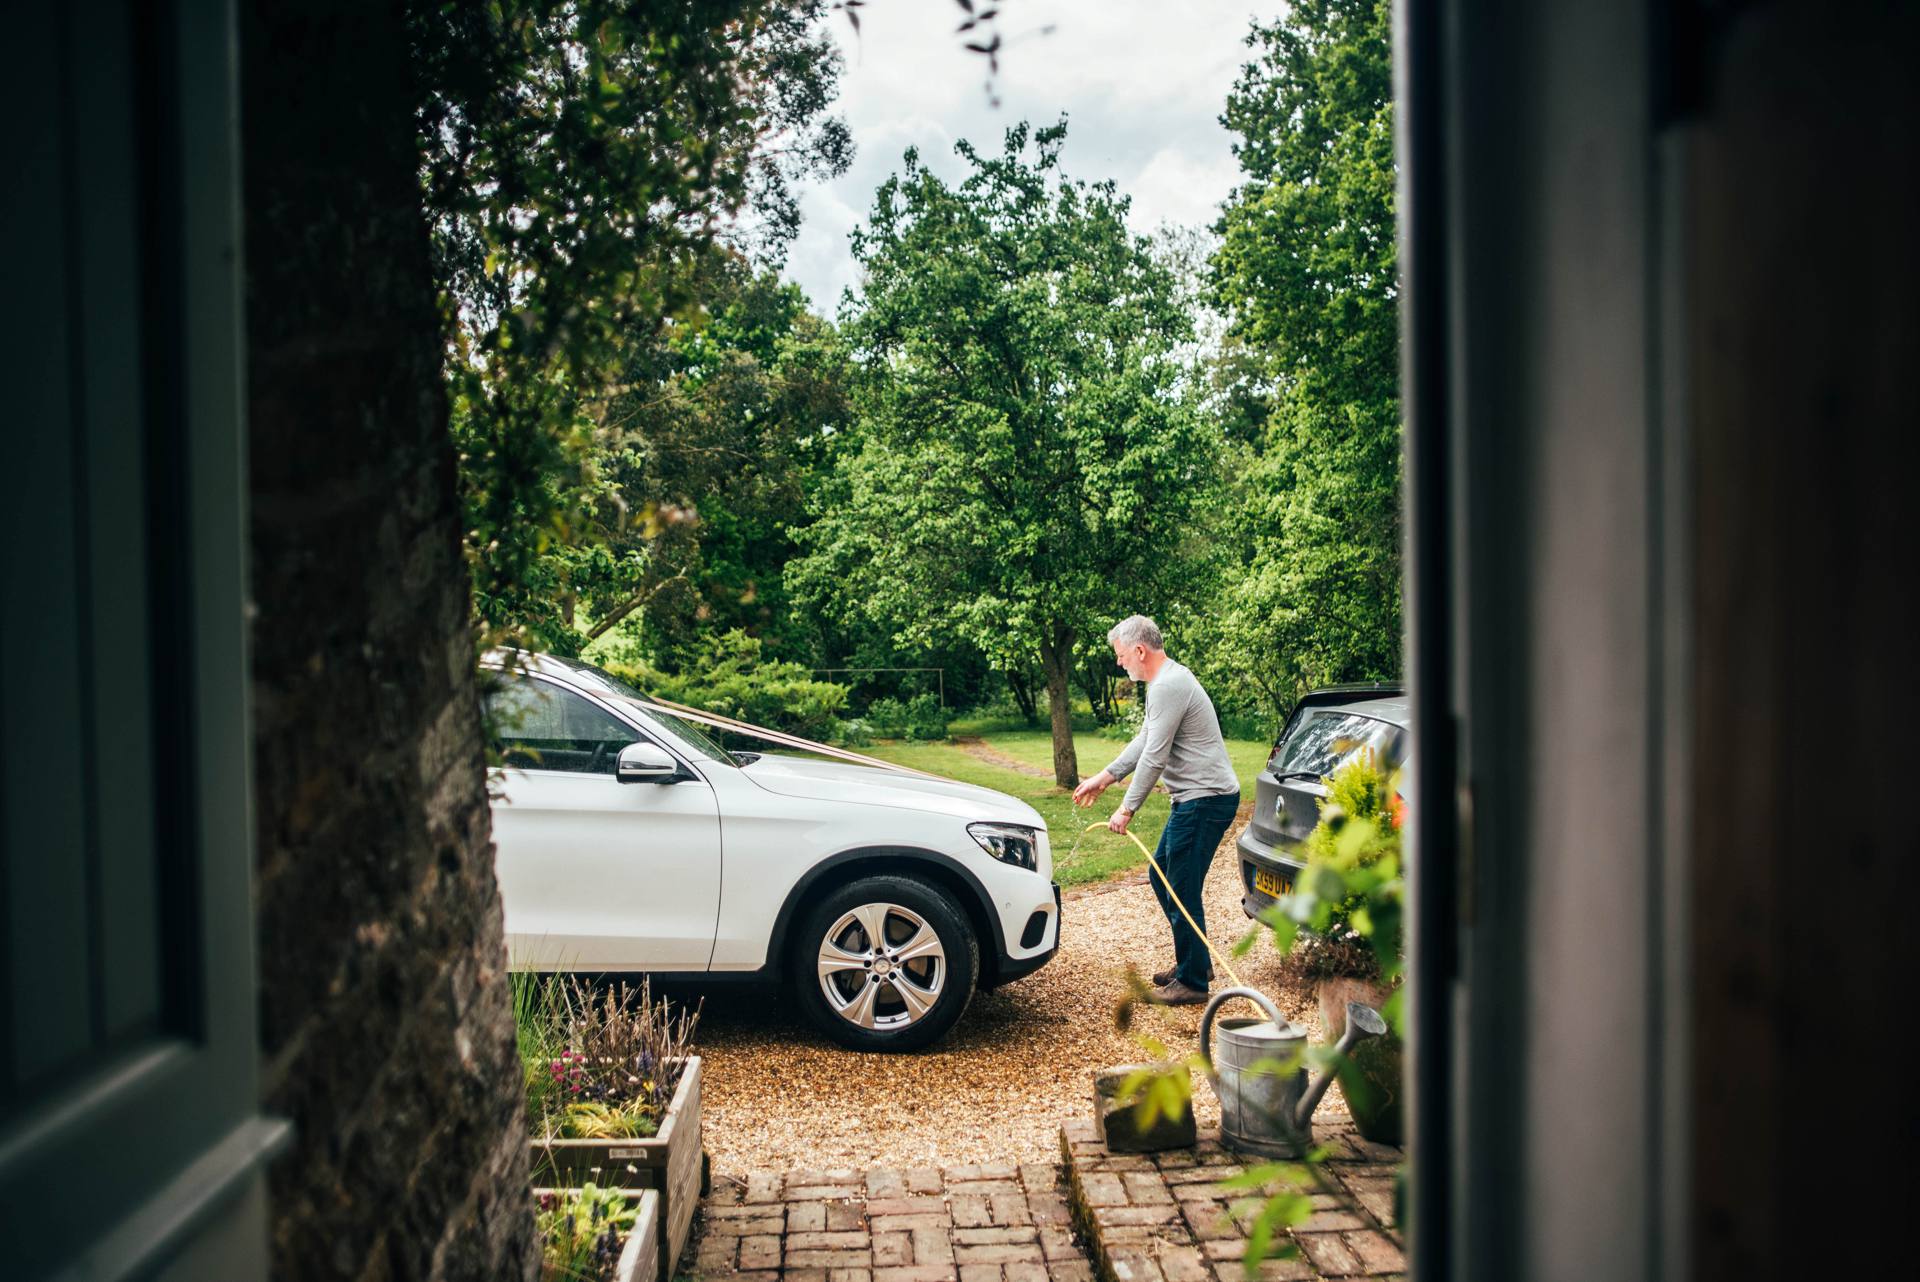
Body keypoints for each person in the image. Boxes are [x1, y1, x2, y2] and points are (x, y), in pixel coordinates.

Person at [1072, 615, 1241, 1006]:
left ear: (1139, 650)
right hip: (1197, 799)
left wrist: (1126, 809)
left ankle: (1193, 982)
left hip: (1206, 800)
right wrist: (1105, 777)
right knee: (1161, 873)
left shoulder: (1168, 685)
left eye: (1121, 655)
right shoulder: (1166, 683)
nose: (1119, 663)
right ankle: (1196, 962)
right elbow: (1145, 739)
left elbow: (1154, 757)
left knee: (1179, 887)